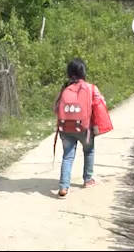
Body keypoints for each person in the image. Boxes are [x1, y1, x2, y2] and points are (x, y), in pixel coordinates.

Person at [53, 58, 104, 198]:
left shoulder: (65, 88)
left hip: (65, 128)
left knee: (67, 156)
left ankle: (63, 187)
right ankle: (88, 179)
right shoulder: (91, 88)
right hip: (84, 128)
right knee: (89, 151)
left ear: (69, 72)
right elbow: (100, 105)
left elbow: (56, 108)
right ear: (83, 72)